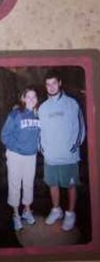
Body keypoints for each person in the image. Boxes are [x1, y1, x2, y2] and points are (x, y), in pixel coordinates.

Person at [39, 69, 86, 231]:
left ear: (59, 83)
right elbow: (40, 131)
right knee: (53, 184)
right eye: (47, 84)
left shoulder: (72, 104)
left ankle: (70, 213)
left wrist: (74, 146)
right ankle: (56, 210)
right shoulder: (43, 108)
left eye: (54, 83)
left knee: (71, 185)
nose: (51, 87)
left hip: (69, 156)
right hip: (50, 156)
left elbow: (80, 128)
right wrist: (42, 148)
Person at [1, 86, 40, 231]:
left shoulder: (38, 114)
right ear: (23, 99)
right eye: (28, 96)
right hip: (15, 155)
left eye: (34, 96)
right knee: (15, 185)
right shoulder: (15, 113)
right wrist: (17, 148)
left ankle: (27, 210)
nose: (31, 99)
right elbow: (4, 135)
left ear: (36, 99)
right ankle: (16, 214)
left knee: (29, 184)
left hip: (31, 156)